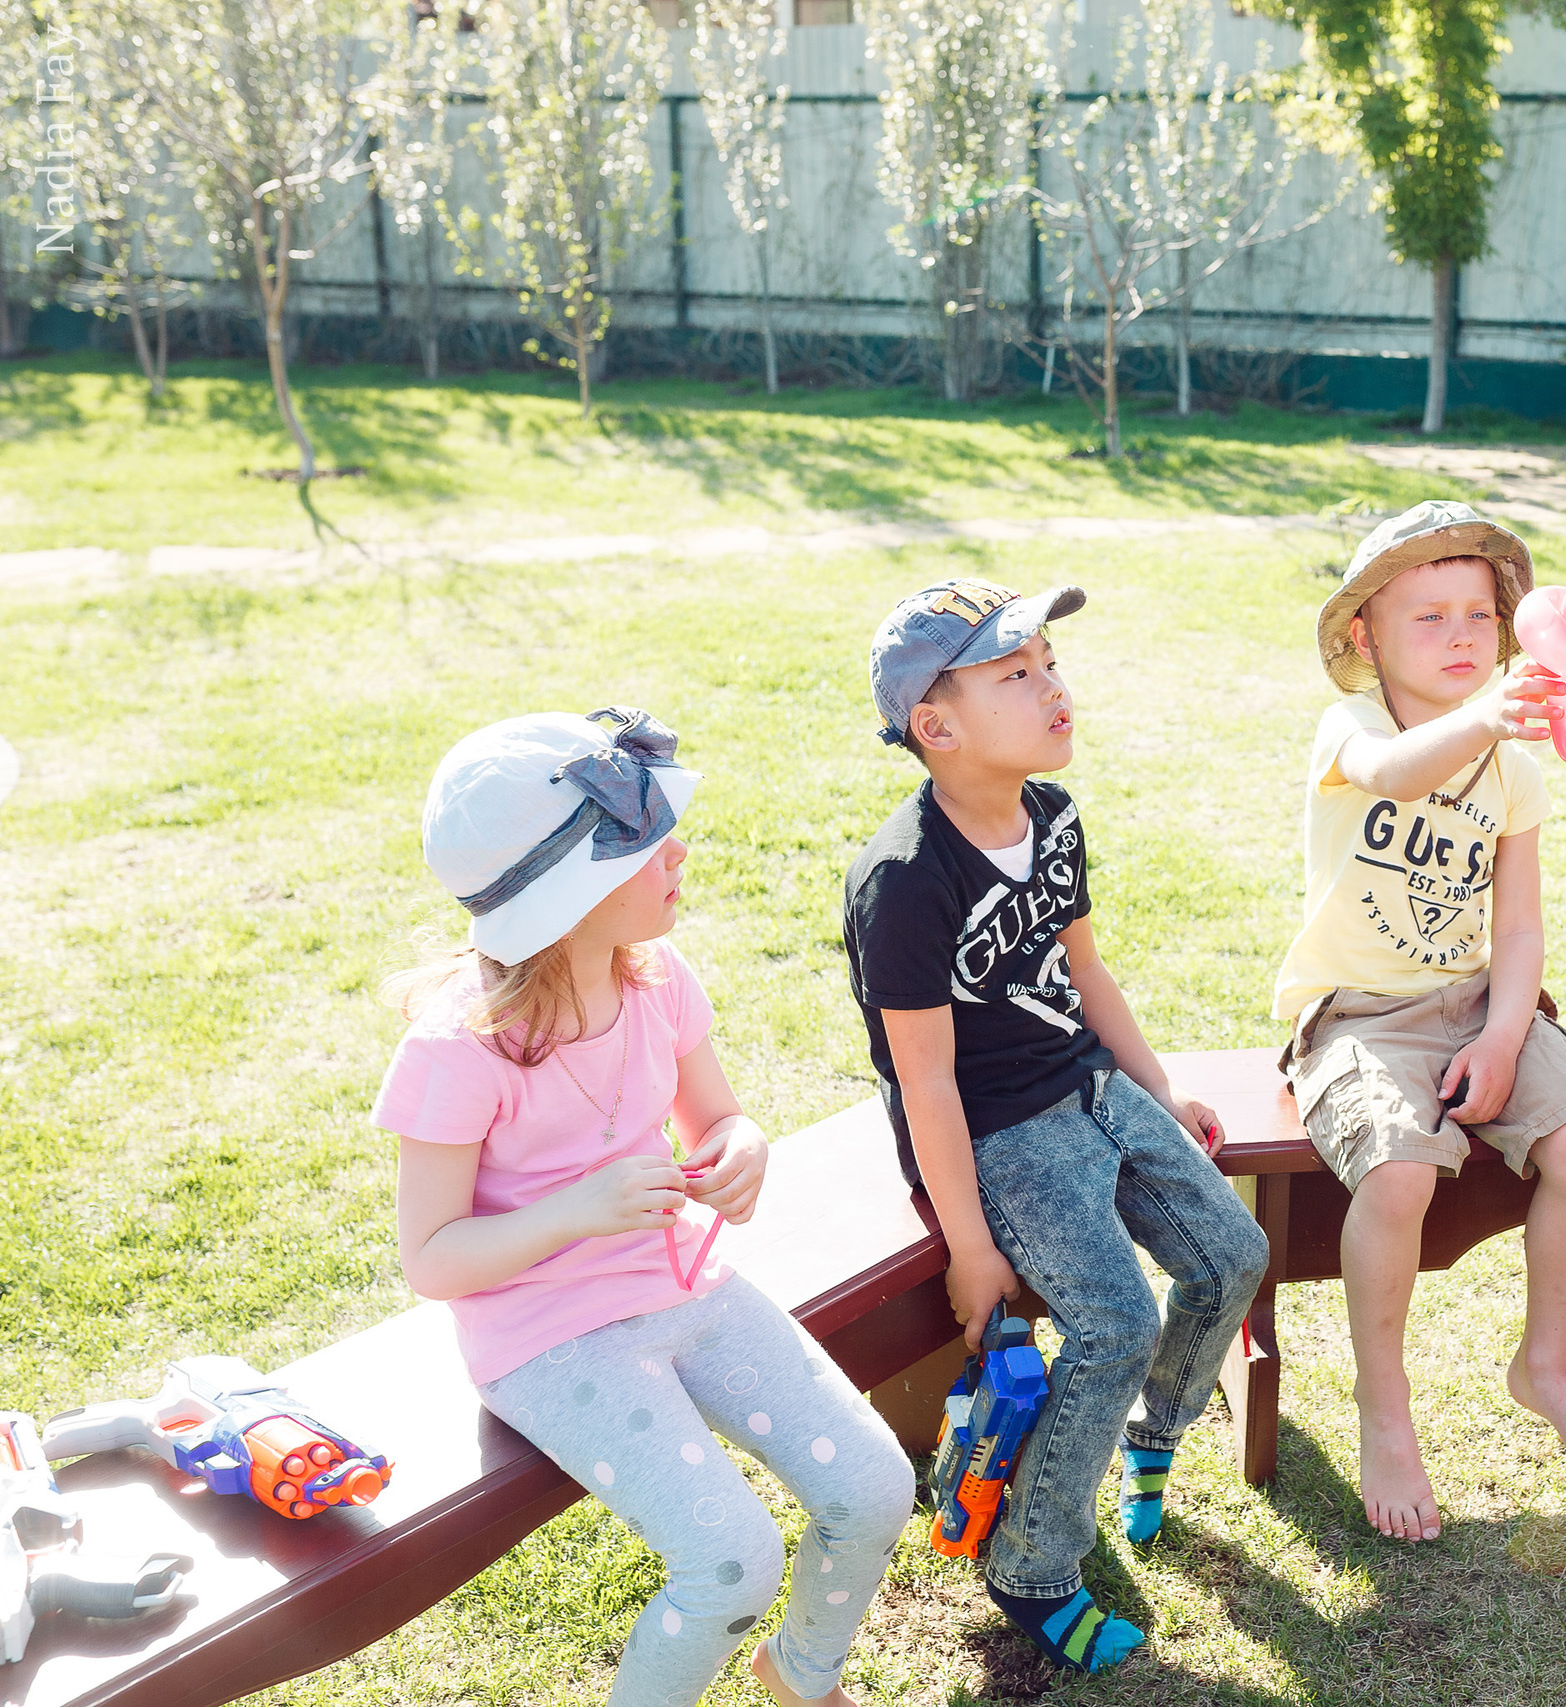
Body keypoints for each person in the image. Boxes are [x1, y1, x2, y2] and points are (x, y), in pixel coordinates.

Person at [377, 707, 912, 1707]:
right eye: (645, 843)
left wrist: (740, 1148)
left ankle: (802, 1676)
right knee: (730, 1564)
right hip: (546, 1338)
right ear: (564, 894)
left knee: (874, 1485)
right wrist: (576, 1210)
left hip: (681, 1283)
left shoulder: (657, 977)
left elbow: (717, 1118)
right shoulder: (456, 1050)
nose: (678, 854)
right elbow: (432, 1259)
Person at [843, 577, 1267, 1674]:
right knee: (1115, 1320)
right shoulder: (903, 880)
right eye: (1014, 674)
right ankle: (1032, 1570)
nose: (1051, 687)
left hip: (1090, 1084)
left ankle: (1150, 1438)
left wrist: (1158, 1092)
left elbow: (1085, 970)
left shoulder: (1054, 815)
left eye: (1049, 664)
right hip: (998, 1131)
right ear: (936, 727)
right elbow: (925, 1082)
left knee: (1232, 1254)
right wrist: (971, 1246)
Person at [1272, 499, 1566, 1546]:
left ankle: (1547, 1364)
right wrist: (1489, 718)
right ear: (1365, 634)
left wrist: (1504, 1036)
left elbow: (1517, 929)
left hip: (1475, 1004)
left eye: (1479, 614)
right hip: (1358, 1017)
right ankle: (1383, 1404)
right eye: (1427, 617)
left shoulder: (1513, 769)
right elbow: (1397, 774)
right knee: (1399, 1173)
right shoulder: (1352, 728)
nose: (1461, 636)